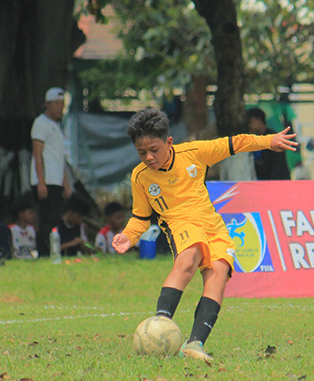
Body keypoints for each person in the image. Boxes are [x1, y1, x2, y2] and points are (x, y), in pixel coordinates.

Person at [112, 108, 298, 362]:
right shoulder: (140, 177)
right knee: (189, 257)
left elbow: (234, 143)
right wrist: (129, 235)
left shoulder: (194, 153)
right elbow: (141, 217)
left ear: (169, 142)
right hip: (179, 224)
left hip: (213, 224)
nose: (149, 157)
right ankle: (160, 327)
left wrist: (268, 141)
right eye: (141, 152)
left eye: (154, 150)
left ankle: (195, 343)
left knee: (219, 273)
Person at [31, 87, 73, 258]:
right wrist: (41, 181)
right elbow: (37, 153)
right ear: (47, 104)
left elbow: (59, 157)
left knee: (55, 217)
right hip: (45, 180)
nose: (59, 108)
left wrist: (65, 181)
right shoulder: (41, 123)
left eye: (62, 104)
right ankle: (43, 252)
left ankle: (52, 251)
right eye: (56, 104)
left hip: (56, 180)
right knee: (45, 218)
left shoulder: (56, 126)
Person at [247, 108, 292, 180]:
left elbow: (278, 167)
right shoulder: (255, 140)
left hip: (277, 183)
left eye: (250, 122)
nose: (249, 126)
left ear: (259, 119)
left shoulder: (274, 139)